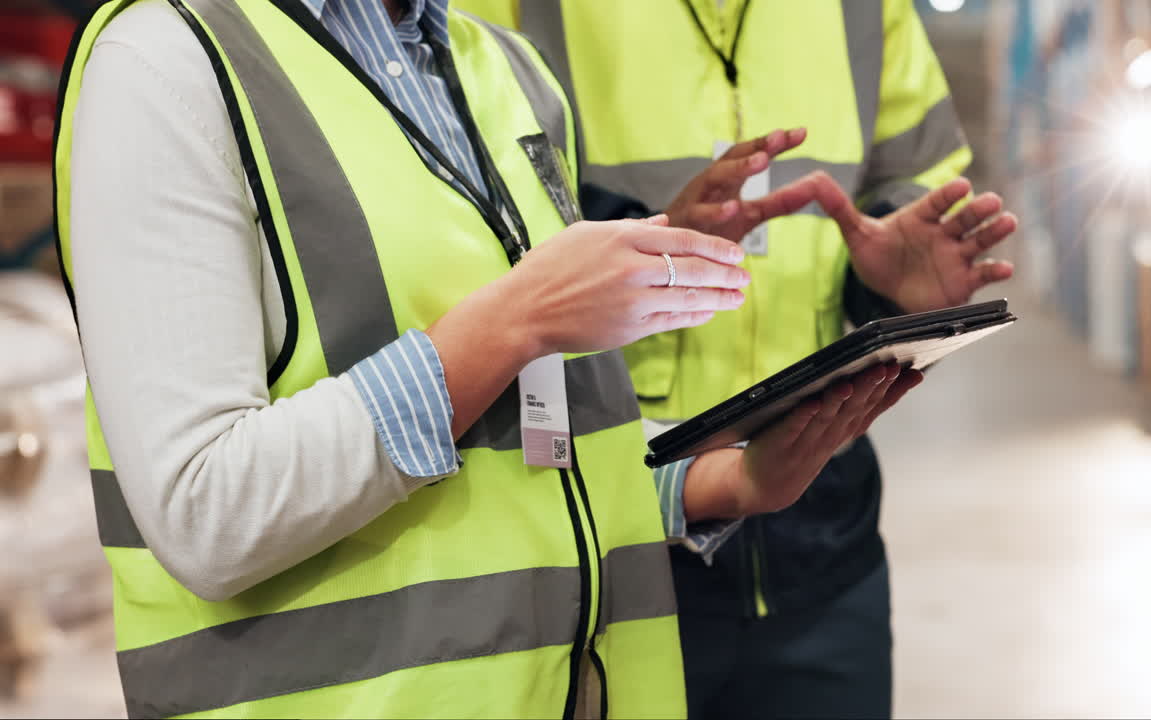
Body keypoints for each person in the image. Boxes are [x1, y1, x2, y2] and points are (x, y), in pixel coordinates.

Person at [52, 0, 924, 717]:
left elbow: (530, 449)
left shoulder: (507, 71)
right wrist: (515, 319)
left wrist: (726, 482)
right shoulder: (165, 67)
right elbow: (204, 510)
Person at [457, 1, 1018, 717]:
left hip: (822, 509)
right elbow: (470, 215)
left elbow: (915, 176)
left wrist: (891, 285)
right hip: (613, 516)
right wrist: (654, 238)